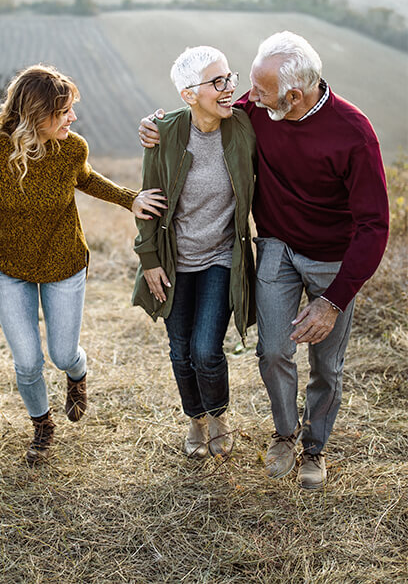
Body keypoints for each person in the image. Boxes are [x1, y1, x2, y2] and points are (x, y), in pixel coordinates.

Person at [139, 31, 389, 489]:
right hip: (275, 246)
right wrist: (155, 122)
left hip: (333, 260)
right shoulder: (259, 111)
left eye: (260, 91)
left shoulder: (354, 134)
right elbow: (199, 114)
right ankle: (285, 434)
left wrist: (332, 301)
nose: (247, 97)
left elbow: (375, 227)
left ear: (293, 95)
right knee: (273, 350)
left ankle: (315, 447)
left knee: (327, 365)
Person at [0, 64, 165, 465]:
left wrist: (131, 199)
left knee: (62, 355)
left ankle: (77, 377)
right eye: (64, 112)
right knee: (26, 362)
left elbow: (88, 179)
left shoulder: (71, 148)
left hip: (63, 263)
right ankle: (42, 426)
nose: (73, 118)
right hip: (8, 265)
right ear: (35, 114)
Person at [132, 46, 256, 460]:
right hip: (174, 261)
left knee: (206, 350)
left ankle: (218, 415)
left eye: (229, 78)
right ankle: (196, 420)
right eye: (217, 82)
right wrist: (149, 259)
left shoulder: (243, 126)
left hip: (223, 256)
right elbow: (148, 200)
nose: (228, 88)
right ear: (188, 94)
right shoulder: (164, 132)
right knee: (180, 351)